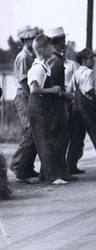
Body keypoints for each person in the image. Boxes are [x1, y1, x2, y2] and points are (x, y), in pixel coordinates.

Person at [27, 34, 68, 185]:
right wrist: (52, 90)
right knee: (45, 142)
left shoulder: (44, 65)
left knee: (47, 140)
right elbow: (34, 90)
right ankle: (53, 177)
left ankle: (48, 174)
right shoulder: (38, 68)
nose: (52, 49)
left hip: (43, 107)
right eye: (50, 47)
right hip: (38, 107)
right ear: (43, 50)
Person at [66, 48, 96, 175]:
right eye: (91, 58)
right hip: (87, 107)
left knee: (76, 137)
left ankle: (70, 165)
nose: (94, 61)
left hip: (76, 107)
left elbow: (69, 90)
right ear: (84, 60)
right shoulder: (89, 73)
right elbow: (89, 90)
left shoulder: (76, 73)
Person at [10, 26, 41, 183]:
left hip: (28, 96)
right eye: (32, 39)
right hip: (24, 96)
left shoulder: (32, 55)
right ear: (25, 41)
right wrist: (31, 98)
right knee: (30, 131)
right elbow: (23, 81)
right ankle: (17, 164)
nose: (34, 41)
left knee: (32, 132)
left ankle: (26, 166)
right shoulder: (23, 57)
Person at [45, 27, 76, 182]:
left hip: (56, 103)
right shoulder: (55, 60)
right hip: (55, 104)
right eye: (62, 40)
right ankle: (57, 172)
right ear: (55, 43)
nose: (64, 43)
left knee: (60, 137)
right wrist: (65, 95)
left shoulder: (54, 59)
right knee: (61, 137)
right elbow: (49, 83)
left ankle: (59, 171)